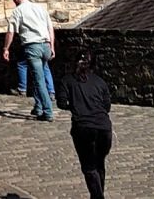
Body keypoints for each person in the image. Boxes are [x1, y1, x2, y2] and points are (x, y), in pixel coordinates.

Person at [58, 50, 113, 199]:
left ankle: (97, 197)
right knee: (99, 163)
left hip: (83, 127)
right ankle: (97, 194)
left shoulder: (67, 80)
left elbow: (62, 103)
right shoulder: (100, 81)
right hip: (104, 127)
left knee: (89, 167)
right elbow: (107, 106)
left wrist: (76, 105)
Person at [2, 0, 55, 120]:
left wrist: (6, 48)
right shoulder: (40, 8)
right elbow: (50, 28)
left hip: (32, 46)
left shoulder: (18, 11)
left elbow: (11, 32)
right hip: (46, 45)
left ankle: (48, 111)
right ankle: (38, 107)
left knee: (38, 80)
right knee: (39, 75)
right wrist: (52, 46)